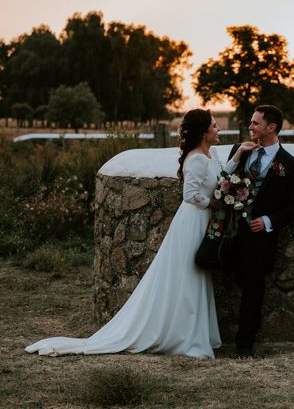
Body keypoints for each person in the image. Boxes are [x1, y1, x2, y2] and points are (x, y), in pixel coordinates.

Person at [26, 109, 224, 359]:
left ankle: (197, 332)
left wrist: (238, 157)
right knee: (187, 275)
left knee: (197, 276)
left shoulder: (211, 153)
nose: (218, 130)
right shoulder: (195, 159)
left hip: (202, 220)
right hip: (192, 221)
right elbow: (190, 195)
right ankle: (184, 336)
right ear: (203, 132)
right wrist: (213, 203)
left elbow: (218, 177)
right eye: (215, 126)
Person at [225, 105, 294, 357]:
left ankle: (244, 346)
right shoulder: (240, 151)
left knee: (252, 290)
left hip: (259, 239)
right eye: (251, 122)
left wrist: (268, 221)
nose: (250, 127)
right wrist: (238, 155)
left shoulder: (290, 165)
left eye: (255, 123)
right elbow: (223, 182)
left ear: (271, 127)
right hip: (229, 231)